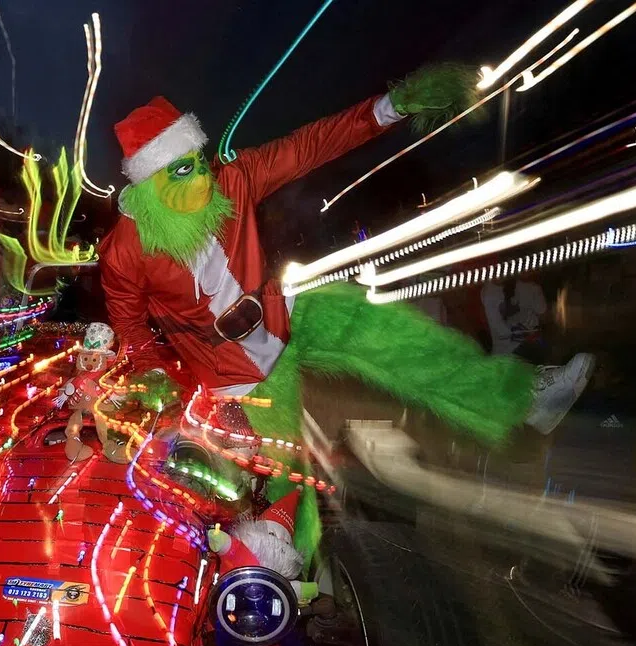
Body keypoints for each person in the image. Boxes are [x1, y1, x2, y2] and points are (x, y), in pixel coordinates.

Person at [98, 65, 592, 566]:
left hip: (284, 314)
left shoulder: (234, 182)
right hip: (236, 377)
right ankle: (282, 586)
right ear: (150, 184)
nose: (202, 175)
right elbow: (132, 330)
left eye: (199, 160)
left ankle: (522, 396)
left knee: (384, 328)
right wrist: (155, 375)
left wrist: (390, 108)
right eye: (182, 169)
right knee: (287, 479)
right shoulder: (125, 250)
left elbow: (310, 144)